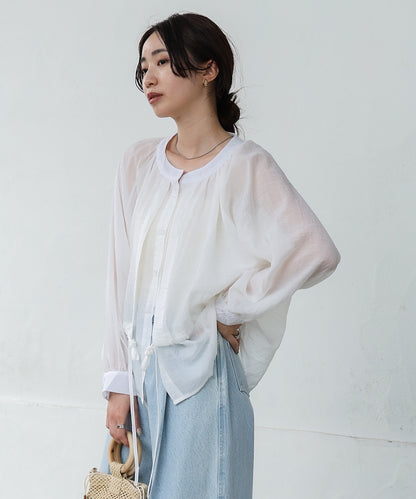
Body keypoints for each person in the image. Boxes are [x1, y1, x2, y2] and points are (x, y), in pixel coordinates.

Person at [100, 12, 340, 499]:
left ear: (208, 69)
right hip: (142, 382)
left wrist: (227, 309)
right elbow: (120, 275)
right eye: (143, 66)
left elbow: (314, 250)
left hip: (203, 382)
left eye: (162, 61)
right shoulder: (138, 164)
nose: (149, 77)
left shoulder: (246, 166)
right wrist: (119, 380)